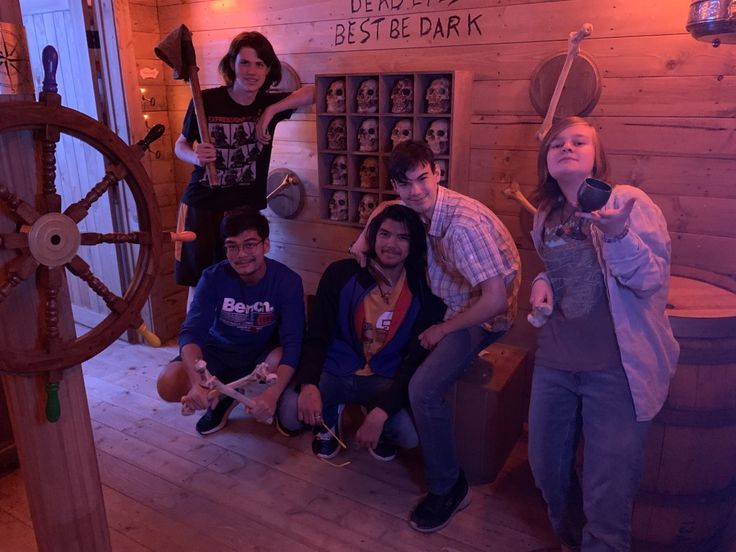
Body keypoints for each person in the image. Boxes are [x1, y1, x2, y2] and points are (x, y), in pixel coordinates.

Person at [350, 140, 521, 532]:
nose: (416, 191)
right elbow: (383, 209)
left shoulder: (462, 226)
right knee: (389, 335)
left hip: (480, 314)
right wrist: (364, 237)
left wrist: (443, 329)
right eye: (406, 184)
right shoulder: (415, 205)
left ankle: (450, 487)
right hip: (446, 297)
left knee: (424, 388)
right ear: (397, 186)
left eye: (423, 179)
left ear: (438, 172)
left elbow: (494, 301)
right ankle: (389, 425)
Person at [526, 116, 679, 551]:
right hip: (555, 362)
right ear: (546, 159)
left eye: (579, 141)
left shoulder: (626, 203)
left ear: (597, 156)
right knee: (546, 472)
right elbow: (560, 270)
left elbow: (651, 279)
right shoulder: (546, 213)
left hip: (617, 371)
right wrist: (542, 284)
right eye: (557, 143)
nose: (567, 147)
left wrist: (617, 234)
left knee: (607, 494)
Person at [278, 205, 445, 462]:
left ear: (413, 245)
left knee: (409, 438)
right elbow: (317, 334)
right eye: (385, 234)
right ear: (372, 237)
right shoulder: (340, 274)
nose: (391, 244)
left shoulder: (425, 291)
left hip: (383, 377)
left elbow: (414, 361)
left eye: (403, 237)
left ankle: (370, 408)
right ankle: (331, 411)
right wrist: (309, 383)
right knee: (290, 414)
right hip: (336, 368)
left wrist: (382, 411)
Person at [174, 31, 315, 300]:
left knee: (243, 278)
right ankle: (193, 341)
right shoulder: (205, 101)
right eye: (245, 63)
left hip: (244, 208)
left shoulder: (268, 103)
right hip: (202, 205)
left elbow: (314, 91)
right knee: (200, 283)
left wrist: (271, 112)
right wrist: (195, 156)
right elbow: (180, 145)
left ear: (268, 69)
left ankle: (235, 339)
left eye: (260, 64)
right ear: (232, 65)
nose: (252, 71)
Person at [157, 208, 305, 436]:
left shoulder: (288, 281)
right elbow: (191, 333)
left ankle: (231, 394)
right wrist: (197, 383)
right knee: (167, 384)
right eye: (232, 246)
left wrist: (272, 396)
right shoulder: (212, 278)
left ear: (265, 245)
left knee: (279, 356)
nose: (241, 254)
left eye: (249, 244)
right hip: (218, 351)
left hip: (260, 356)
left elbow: (294, 342)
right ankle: (222, 397)